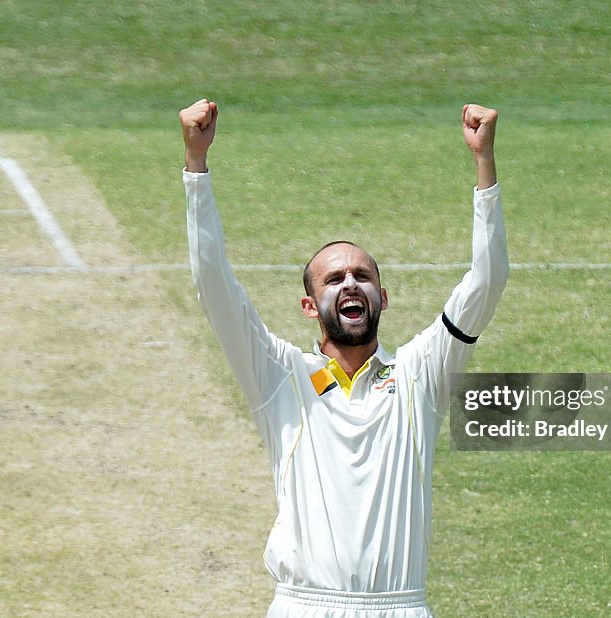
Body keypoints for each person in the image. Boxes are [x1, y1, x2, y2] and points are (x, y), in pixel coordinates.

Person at [180, 98, 508, 617]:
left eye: (362, 276)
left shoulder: (422, 373)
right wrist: (196, 165)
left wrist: (483, 164)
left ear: (383, 297)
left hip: (400, 606)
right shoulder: (280, 375)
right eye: (334, 279)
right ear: (310, 306)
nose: (350, 283)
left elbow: (486, 283)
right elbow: (214, 285)